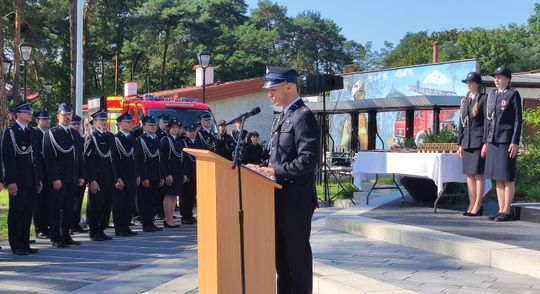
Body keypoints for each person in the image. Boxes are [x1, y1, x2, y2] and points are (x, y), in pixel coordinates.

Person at [248, 66, 319, 294]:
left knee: (296, 259)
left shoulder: (303, 117)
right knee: (282, 261)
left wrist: (275, 172)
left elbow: (308, 160)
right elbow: (276, 158)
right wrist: (261, 169)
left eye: (274, 89)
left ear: (289, 86)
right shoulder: (282, 117)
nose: (269, 94)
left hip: (296, 200)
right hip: (278, 197)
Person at [2, 101, 43, 255]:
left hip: (31, 180)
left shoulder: (31, 132)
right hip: (18, 180)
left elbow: (35, 159)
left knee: (27, 213)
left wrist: (38, 179)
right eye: (27, 112)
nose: (30, 114)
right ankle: (16, 245)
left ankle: (25, 243)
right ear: (17, 115)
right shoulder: (11, 132)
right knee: (17, 213)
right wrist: (10, 181)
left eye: (30, 111)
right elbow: (8, 159)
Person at [483, 66, 522, 222]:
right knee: (498, 177)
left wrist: (515, 141)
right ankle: (500, 210)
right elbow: (488, 121)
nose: (496, 79)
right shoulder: (492, 95)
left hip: (506, 140)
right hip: (493, 140)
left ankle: (507, 211)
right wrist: (486, 141)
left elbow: (518, 120)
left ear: (508, 79)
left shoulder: (513, 95)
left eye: (500, 77)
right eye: (495, 77)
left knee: (507, 176)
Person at [42, 103, 85, 248]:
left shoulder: (74, 134)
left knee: (68, 208)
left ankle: (66, 235)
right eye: (64, 115)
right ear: (57, 116)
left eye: (69, 114)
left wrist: (80, 175)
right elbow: (49, 158)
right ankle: (55, 237)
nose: (67, 117)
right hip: (59, 178)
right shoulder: (52, 133)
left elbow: (79, 157)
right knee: (56, 208)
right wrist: (54, 178)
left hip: (72, 177)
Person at [84, 110, 123, 241]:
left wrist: (117, 177)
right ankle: (94, 232)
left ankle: (101, 229)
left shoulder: (110, 137)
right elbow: (89, 161)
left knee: (106, 206)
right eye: (101, 121)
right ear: (94, 123)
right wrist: (92, 180)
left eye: (105, 120)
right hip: (98, 178)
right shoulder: (92, 137)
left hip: (110, 178)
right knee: (96, 206)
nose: (104, 123)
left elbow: (113, 160)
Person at [457, 72, 487, 217]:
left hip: (478, 141)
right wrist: (459, 143)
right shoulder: (466, 101)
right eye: (467, 83)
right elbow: (461, 124)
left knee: (479, 175)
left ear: (478, 84)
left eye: (471, 82)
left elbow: (487, 123)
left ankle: (478, 205)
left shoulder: (483, 99)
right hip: (467, 141)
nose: (469, 85)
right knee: (469, 175)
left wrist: (485, 142)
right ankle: (472, 203)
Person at [134, 115, 164, 232]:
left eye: (154, 125)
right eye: (150, 125)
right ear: (144, 126)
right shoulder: (140, 140)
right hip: (146, 175)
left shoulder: (156, 139)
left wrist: (161, 175)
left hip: (156, 175)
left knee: (152, 200)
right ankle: (146, 223)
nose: (153, 127)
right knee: (144, 200)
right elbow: (139, 160)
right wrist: (143, 177)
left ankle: (151, 222)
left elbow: (159, 159)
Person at [113, 113, 140, 236]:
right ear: (120, 124)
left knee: (129, 203)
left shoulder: (131, 138)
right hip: (122, 175)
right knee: (120, 203)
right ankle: (119, 228)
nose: (130, 124)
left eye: (131, 122)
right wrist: (117, 177)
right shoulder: (116, 138)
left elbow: (136, 158)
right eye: (128, 122)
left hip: (132, 175)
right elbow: (114, 160)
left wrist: (138, 175)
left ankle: (126, 226)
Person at [160, 117, 186, 228]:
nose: (175, 129)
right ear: (169, 129)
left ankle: (171, 218)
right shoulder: (166, 140)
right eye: (173, 127)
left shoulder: (180, 141)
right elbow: (163, 159)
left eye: (177, 128)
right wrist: (167, 174)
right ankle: (168, 219)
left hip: (178, 172)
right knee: (169, 195)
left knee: (174, 195)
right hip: (170, 172)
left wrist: (184, 173)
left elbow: (182, 159)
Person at [32, 109, 51, 239]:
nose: (47, 121)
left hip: (50, 172)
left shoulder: (50, 133)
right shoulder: (34, 133)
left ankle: (47, 227)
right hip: (39, 171)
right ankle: (40, 229)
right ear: (38, 121)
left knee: (48, 202)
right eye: (44, 119)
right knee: (39, 202)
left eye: (48, 119)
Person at [69, 114, 88, 234]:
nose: (76, 126)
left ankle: (75, 224)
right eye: (74, 124)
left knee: (78, 202)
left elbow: (82, 159)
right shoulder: (65, 137)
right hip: (69, 175)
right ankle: (69, 226)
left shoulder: (81, 138)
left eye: (78, 124)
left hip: (80, 175)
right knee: (68, 203)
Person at [181, 124, 199, 224]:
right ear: (186, 132)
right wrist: (185, 174)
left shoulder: (196, 142)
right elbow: (183, 160)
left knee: (192, 195)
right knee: (185, 195)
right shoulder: (184, 143)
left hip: (195, 172)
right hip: (188, 172)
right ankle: (184, 216)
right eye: (190, 131)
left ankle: (189, 214)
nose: (192, 133)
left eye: (194, 131)